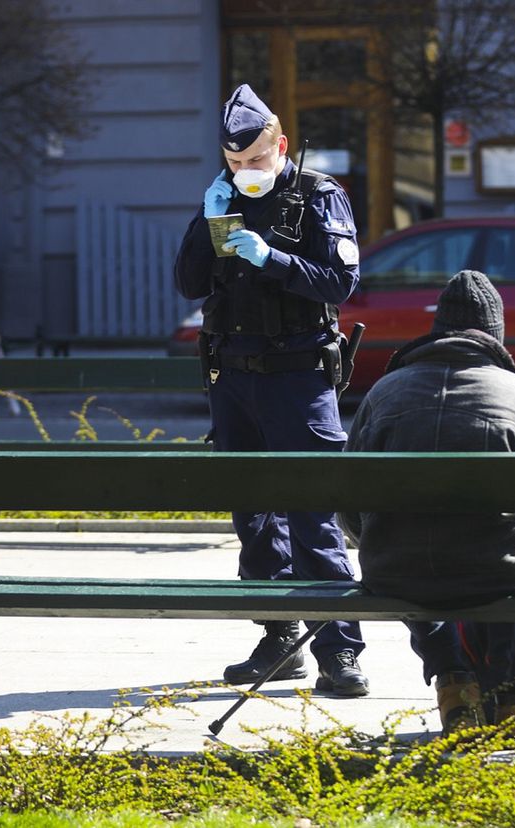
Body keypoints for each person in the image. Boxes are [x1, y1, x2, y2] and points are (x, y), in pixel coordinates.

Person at [173, 83, 368, 696]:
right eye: (234, 163)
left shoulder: (318, 197)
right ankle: (280, 635)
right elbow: (188, 284)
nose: (245, 172)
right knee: (254, 515)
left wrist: (270, 259)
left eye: (256, 160)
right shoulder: (224, 199)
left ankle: (339, 649)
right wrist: (207, 225)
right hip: (231, 376)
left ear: (280, 146)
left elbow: (340, 282)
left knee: (313, 509)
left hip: (297, 374)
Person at [338, 270, 515, 736]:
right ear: (496, 335)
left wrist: (381, 538)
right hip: (496, 570)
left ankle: (454, 682)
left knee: (411, 558)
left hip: (396, 568)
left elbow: (349, 503)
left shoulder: (385, 393)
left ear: (438, 329)